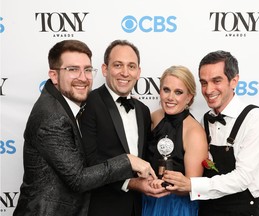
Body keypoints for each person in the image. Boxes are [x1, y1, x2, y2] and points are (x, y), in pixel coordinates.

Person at [13, 39, 156, 216]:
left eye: (87, 70)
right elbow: (78, 178)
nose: (82, 77)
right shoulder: (52, 115)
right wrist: (128, 160)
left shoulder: (68, 105)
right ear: (54, 75)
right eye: (72, 69)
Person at [163, 51, 259, 216]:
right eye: (204, 83)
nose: (208, 89)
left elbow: (243, 178)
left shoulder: (254, 118)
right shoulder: (204, 120)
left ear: (234, 81)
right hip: (207, 209)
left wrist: (192, 185)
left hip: (241, 210)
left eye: (216, 81)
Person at [80, 39, 167, 216]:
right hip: (101, 208)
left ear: (138, 72)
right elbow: (87, 164)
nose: (125, 73)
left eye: (131, 66)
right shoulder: (88, 104)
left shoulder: (142, 110)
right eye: (118, 65)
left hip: (136, 207)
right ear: (105, 69)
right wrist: (131, 183)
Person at [142, 65, 208, 216]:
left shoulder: (194, 132)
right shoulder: (154, 117)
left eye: (178, 92)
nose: (170, 97)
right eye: (166, 90)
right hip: (147, 200)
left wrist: (165, 185)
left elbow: (191, 186)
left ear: (189, 97)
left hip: (176, 207)